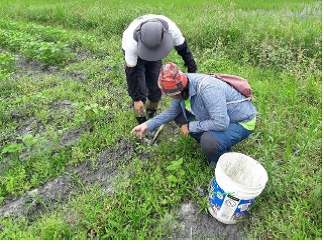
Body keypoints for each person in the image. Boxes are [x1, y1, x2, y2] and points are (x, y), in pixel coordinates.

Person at [131, 62, 257, 167]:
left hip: (241, 121)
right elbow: (172, 112)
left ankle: (224, 159)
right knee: (180, 116)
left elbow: (221, 123)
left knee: (209, 142)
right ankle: (213, 143)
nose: (167, 96)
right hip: (221, 117)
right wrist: (147, 125)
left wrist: (191, 127)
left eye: (168, 94)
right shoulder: (182, 84)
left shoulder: (208, 89)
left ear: (178, 91)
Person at [122, 14, 197, 125]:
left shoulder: (171, 29)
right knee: (139, 93)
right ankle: (141, 122)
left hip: (156, 46)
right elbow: (131, 74)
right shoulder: (130, 43)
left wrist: (192, 71)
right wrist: (136, 99)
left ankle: (150, 113)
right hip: (138, 54)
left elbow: (184, 50)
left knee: (156, 87)